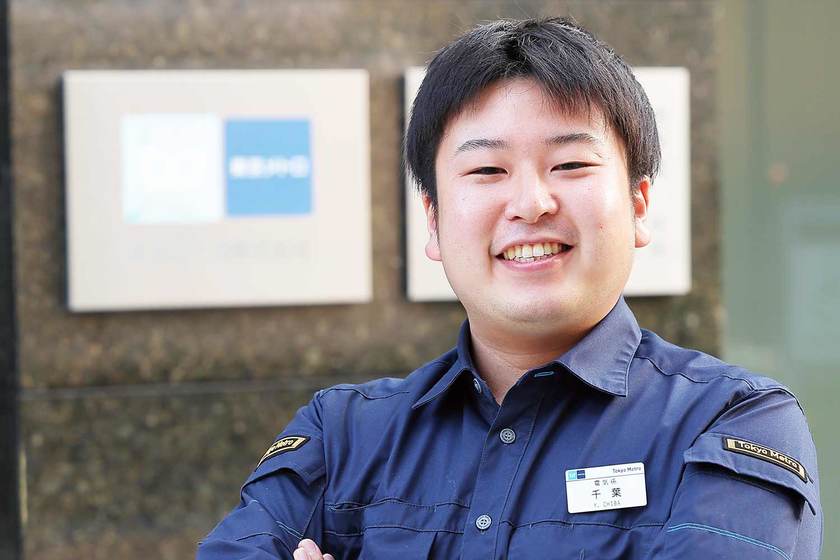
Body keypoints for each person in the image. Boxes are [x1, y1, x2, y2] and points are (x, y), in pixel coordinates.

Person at [197, 17, 822, 559]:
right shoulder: (344, 435)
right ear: (434, 221)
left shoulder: (730, 421)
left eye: (570, 164)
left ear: (638, 205)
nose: (531, 202)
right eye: (487, 169)